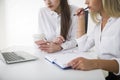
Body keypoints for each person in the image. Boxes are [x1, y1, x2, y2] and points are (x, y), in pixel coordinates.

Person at [67, 0, 120, 80]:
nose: (86, 2)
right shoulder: (99, 25)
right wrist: (81, 19)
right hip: (105, 75)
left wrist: (94, 63)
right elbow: (83, 46)